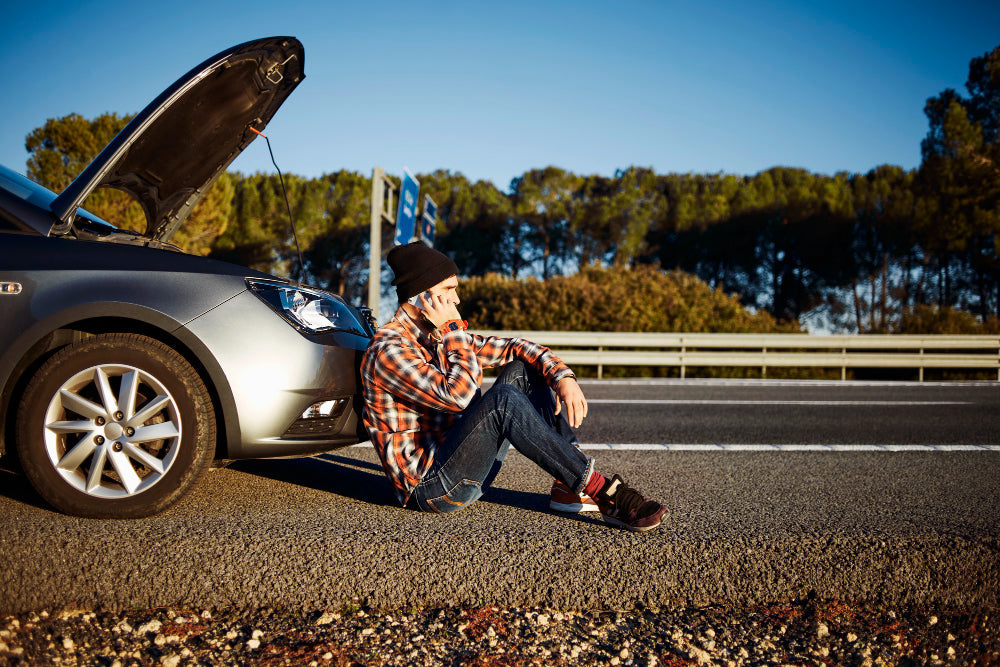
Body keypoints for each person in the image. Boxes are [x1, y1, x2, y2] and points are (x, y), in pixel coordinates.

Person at [360, 241, 666, 532]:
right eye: (449, 290)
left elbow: (516, 346)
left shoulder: (437, 337)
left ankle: (570, 486)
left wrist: (563, 377)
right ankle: (603, 491)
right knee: (502, 400)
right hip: (431, 488)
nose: (457, 300)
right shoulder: (389, 349)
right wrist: (453, 331)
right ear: (422, 297)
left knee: (523, 368)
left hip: (461, 465)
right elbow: (458, 397)